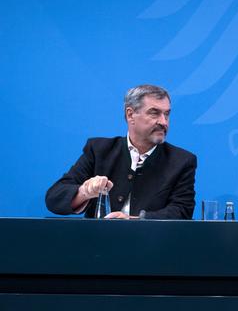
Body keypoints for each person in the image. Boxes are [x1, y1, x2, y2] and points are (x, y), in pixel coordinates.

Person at [45, 85, 197, 219]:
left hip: (152, 246)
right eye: (154, 113)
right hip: (97, 246)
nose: (163, 122)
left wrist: (133, 220)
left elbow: (182, 211)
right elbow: (54, 198)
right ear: (130, 115)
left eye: (167, 114)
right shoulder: (99, 150)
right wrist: (85, 191)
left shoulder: (182, 161)